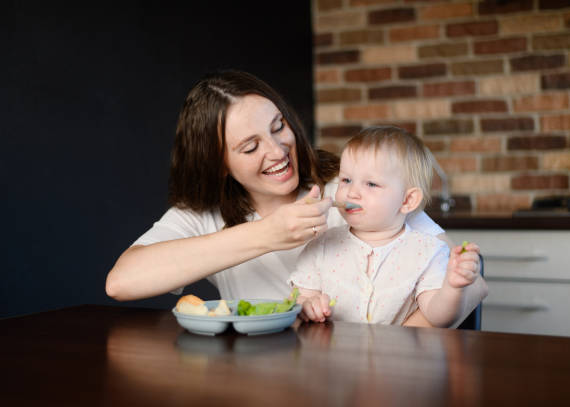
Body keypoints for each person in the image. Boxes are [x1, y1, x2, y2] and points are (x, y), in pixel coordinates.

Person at [105, 69, 487, 327]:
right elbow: (121, 283)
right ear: (217, 163)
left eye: (278, 127)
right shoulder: (201, 214)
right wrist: (266, 235)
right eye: (251, 146)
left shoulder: (351, 189)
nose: (277, 150)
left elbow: (467, 280)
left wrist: (388, 351)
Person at [289, 126, 484, 327]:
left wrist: (453, 288)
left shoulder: (428, 252)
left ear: (408, 200)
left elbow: (439, 317)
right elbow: (300, 299)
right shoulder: (320, 245)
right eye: (346, 180)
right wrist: (307, 305)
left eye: (371, 184)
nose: (352, 192)